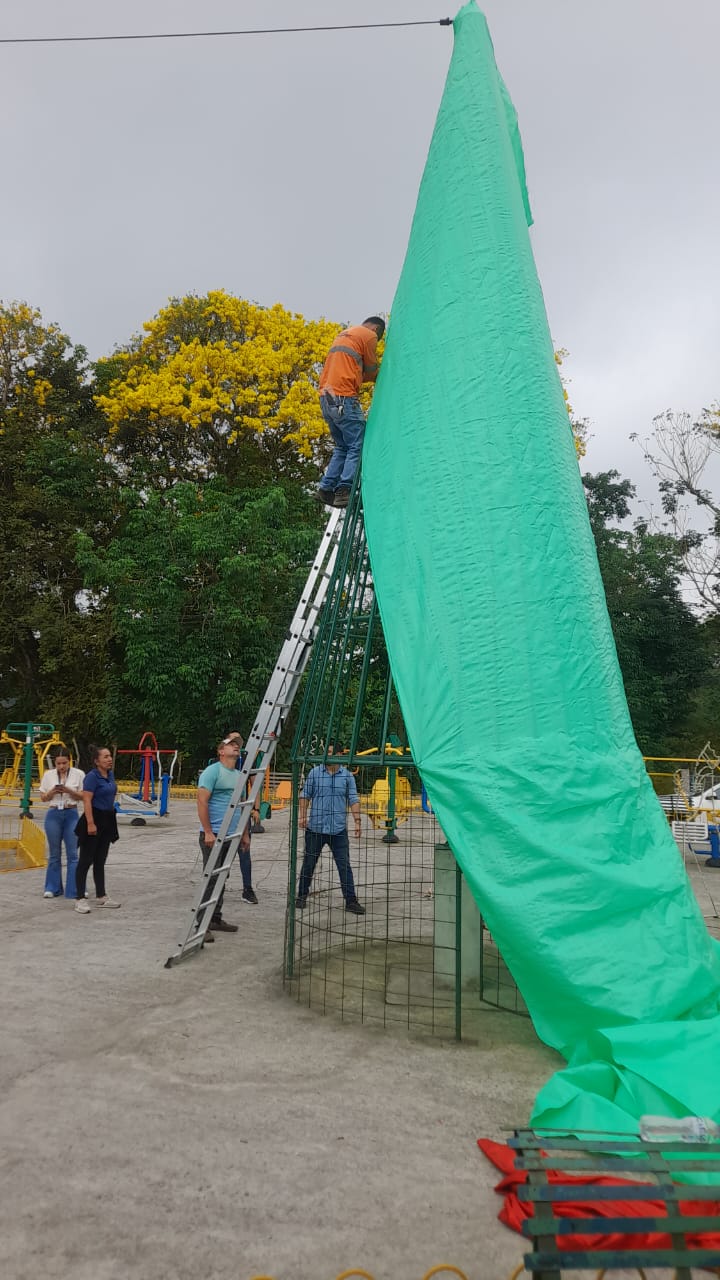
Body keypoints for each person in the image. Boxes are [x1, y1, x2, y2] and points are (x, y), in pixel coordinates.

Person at [314, 316, 385, 508]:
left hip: (326, 398)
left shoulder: (345, 334)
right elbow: (372, 370)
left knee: (342, 446)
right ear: (376, 329)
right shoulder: (369, 335)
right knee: (357, 444)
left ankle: (326, 489)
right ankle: (344, 490)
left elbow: (357, 370)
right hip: (344, 398)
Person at [197, 736, 257, 940]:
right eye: (231, 744)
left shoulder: (239, 776)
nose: (236, 746)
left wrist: (245, 834)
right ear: (221, 751)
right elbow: (202, 802)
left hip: (232, 835)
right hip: (213, 835)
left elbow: (242, 807)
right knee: (211, 878)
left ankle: (215, 918)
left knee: (222, 877)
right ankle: (201, 925)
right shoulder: (212, 771)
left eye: (237, 745)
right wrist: (208, 831)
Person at [296, 745, 365, 914]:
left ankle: (351, 901)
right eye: (326, 752)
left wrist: (357, 821)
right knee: (309, 863)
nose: (327, 755)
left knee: (344, 865)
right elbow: (305, 795)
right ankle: (301, 896)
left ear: (340, 755)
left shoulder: (347, 776)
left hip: (338, 830)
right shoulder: (315, 773)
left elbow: (353, 799)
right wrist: (302, 816)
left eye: (331, 752)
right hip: (316, 828)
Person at [74, 746, 121, 914]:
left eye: (110, 756)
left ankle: (101, 896)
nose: (109, 759)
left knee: (100, 859)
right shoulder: (92, 777)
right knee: (85, 860)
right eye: (105, 757)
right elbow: (87, 800)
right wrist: (90, 823)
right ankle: (80, 898)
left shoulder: (110, 775)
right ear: (97, 761)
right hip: (94, 817)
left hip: (107, 819)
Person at [39, 747, 85, 899]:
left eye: (64, 763)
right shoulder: (48, 775)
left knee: (73, 853)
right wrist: (53, 791)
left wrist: (68, 790)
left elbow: (83, 796)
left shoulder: (79, 774)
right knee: (54, 853)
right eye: (58, 763)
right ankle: (52, 887)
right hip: (54, 813)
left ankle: (75, 889)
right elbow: (43, 797)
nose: (61, 766)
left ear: (69, 761)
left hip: (71, 812)